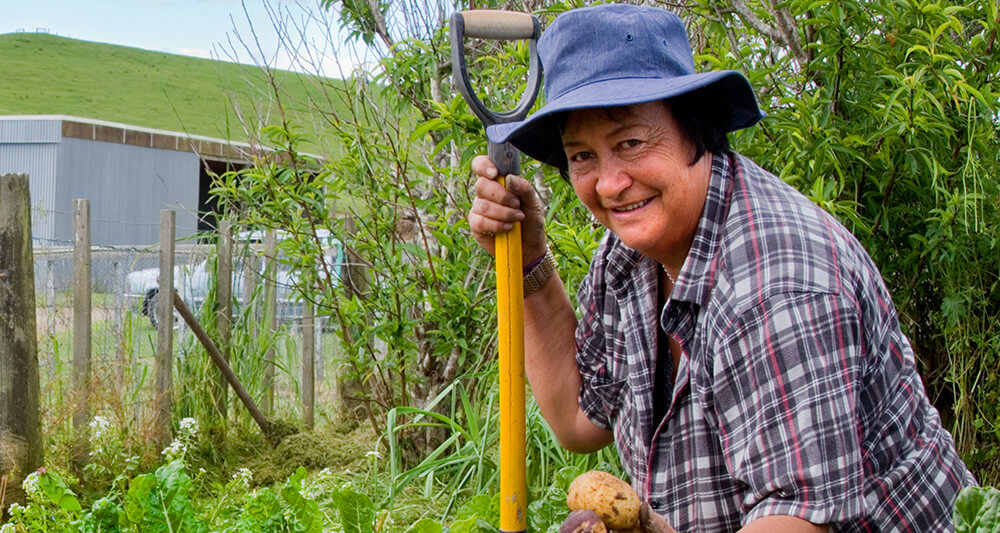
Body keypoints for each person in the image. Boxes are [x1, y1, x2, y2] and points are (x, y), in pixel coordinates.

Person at [466, 4, 976, 532]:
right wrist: (528, 265)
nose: (610, 183)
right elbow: (578, 419)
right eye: (582, 157)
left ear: (697, 130)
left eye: (631, 143)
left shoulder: (779, 286)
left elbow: (795, 521)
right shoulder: (628, 258)